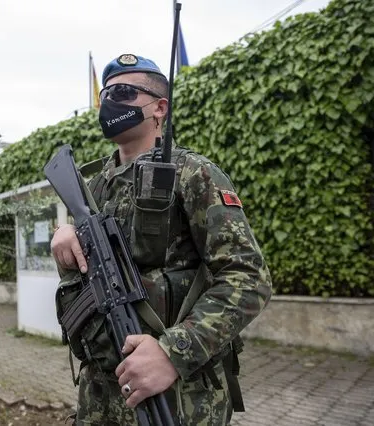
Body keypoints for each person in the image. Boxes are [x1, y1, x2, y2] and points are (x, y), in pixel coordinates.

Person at [50, 53, 272, 425]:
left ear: (159, 108)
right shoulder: (95, 186)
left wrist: (173, 352)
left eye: (123, 92)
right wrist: (64, 238)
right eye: (106, 95)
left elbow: (249, 279)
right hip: (100, 395)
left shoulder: (192, 173)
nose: (110, 103)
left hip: (178, 400)